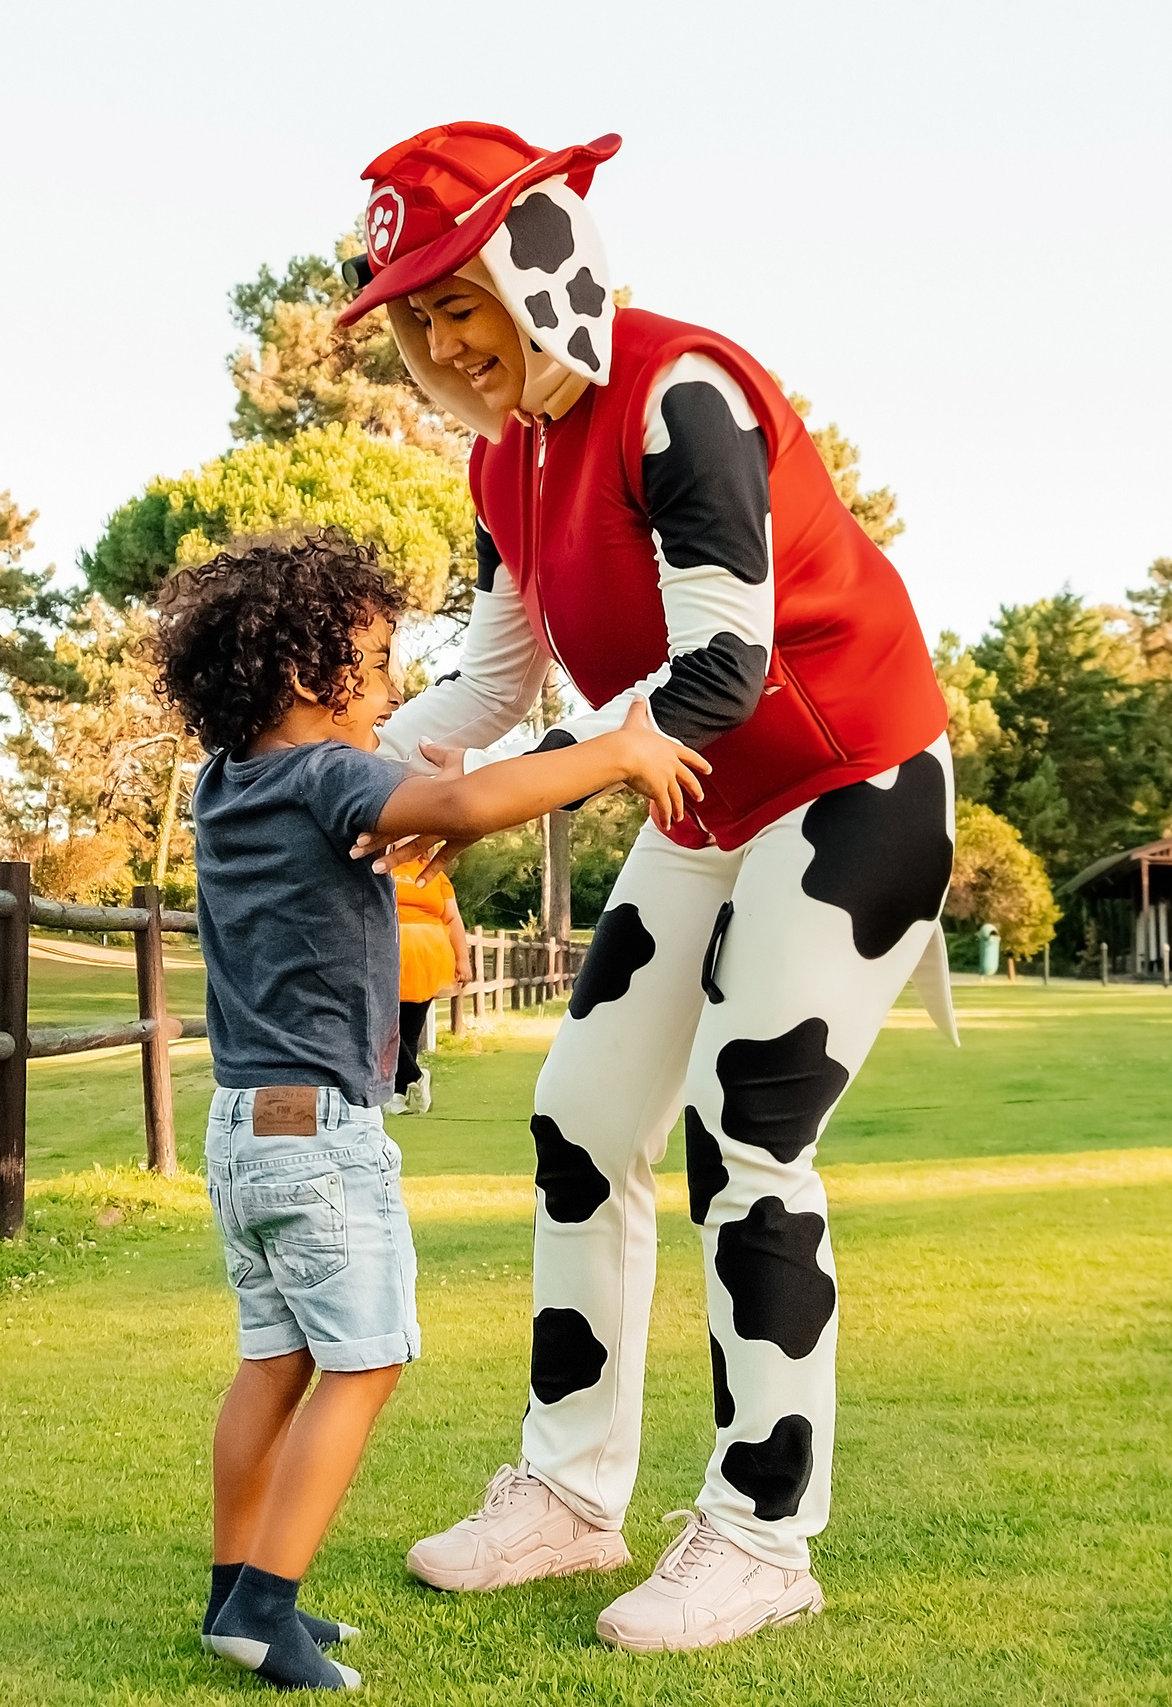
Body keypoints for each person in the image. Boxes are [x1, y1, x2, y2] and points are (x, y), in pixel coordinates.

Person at [331, 122, 959, 1652]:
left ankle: (760, 1531)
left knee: (747, 1134)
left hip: (845, 782)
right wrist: (342, 777)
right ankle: (567, 1495)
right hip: (694, 794)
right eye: (412, 318)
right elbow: (489, 678)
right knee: (582, 1117)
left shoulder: (683, 391)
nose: (436, 342)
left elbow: (726, 664)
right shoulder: (505, 460)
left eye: (453, 301)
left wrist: (496, 797)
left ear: (537, 270)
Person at [152, 532, 708, 1691]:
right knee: (364, 1363)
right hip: (322, 1134)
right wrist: (616, 749)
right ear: (312, 678)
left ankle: (230, 1594)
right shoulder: (324, 775)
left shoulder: (227, 785)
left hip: (243, 1128)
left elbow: (396, 841)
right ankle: (266, 1609)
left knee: (276, 1360)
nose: (395, 685)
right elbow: (462, 797)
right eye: (378, 658)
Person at [386, 855, 468, 1115]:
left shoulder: (437, 874)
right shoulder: (382, 867)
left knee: (410, 1030)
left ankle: (397, 1096)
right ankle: (417, 1075)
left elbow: (453, 918)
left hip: (427, 957)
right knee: (382, 1025)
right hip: (388, 956)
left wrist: (463, 959)